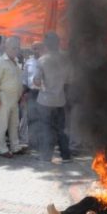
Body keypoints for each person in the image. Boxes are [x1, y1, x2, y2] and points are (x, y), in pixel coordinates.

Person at [34, 32, 71, 162]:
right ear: (58, 43)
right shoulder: (65, 59)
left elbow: (37, 81)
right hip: (60, 100)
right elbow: (68, 80)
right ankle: (66, 155)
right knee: (61, 129)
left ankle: (46, 156)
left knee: (46, 128)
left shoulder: (42, 60)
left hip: (45, 101)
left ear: (46, 45)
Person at [0, 37, 26, 158]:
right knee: (3, 124)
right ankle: (2, 149)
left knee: (14, 124)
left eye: (17, 47)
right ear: (6, 47)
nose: (16, 50)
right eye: (13, 47)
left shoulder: (15, 61)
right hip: (3, 97)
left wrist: (21, 96)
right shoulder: (0, 61)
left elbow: (17, 81)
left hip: (14, 98)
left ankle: (15, 147)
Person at [22, 41, 45, 149]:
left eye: (38, 48)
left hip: (44, 93)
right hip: (32, 93)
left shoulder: (46, 61)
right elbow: (25, 79)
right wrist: (24, 92)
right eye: (34, 48)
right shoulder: (28, 62)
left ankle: (43, 142)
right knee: (31, 118)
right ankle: (32, 142)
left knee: (43, 118)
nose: (36, 50)